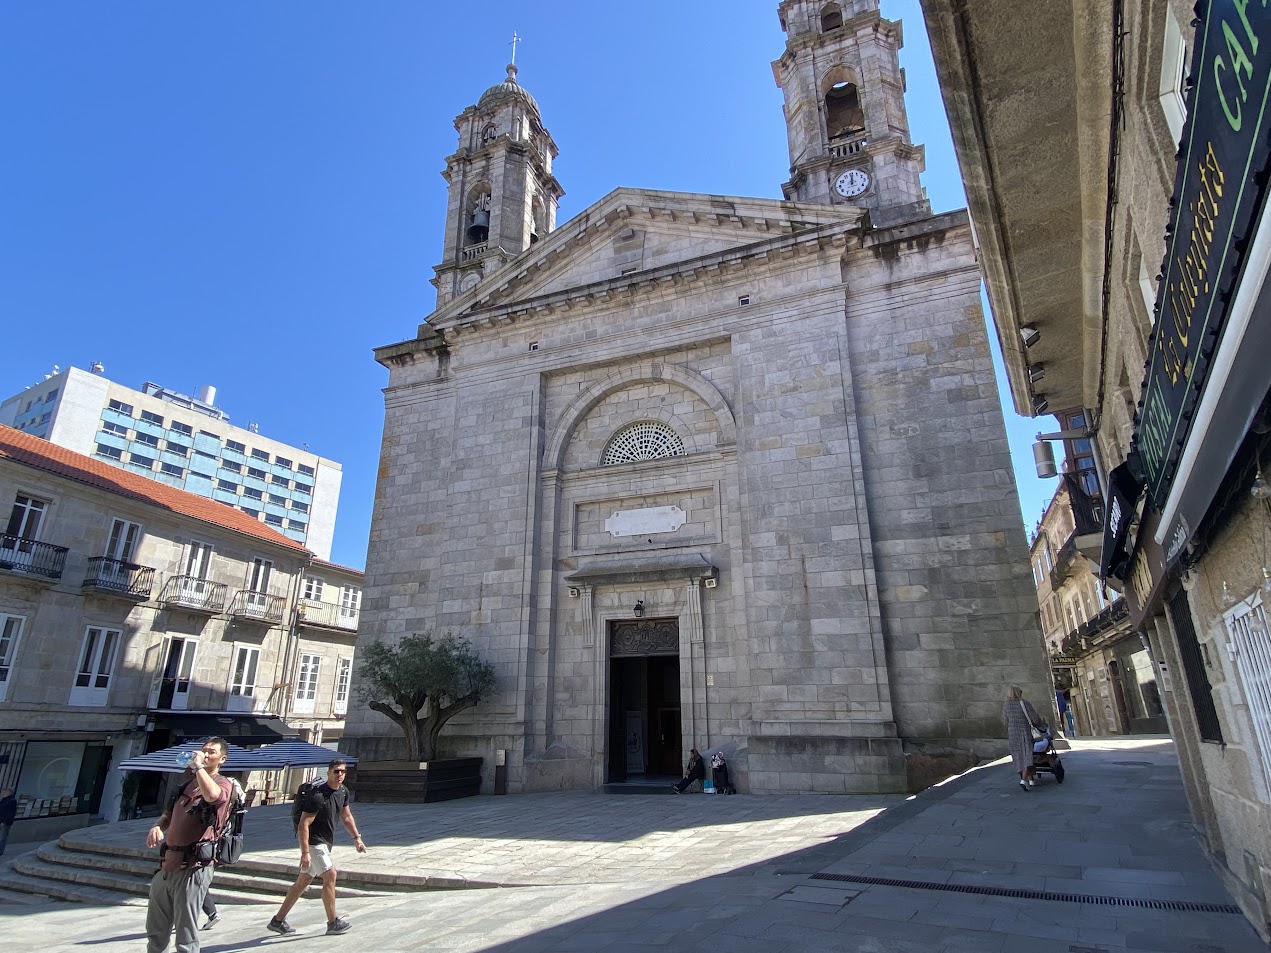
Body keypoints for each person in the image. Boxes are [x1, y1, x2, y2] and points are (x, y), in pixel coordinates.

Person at [144, 738, 233, 953]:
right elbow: (167, 814)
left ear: (222, 759)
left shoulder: (223, 784)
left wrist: (199, 767)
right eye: (204, 750)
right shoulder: (185, 786)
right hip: (168, 864)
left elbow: (213, 796)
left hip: (194, 866)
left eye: (211, 752)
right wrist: (157, 827)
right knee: (155, 930)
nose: (205, 754)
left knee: (185, 935)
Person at [267, 758, 367, 936]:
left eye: (343, 771)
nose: (340, 774)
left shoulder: (343, 792)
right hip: (314, 842)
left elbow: (346, 816)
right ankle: (333, 922)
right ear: (328, 773)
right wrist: (305, 852)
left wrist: (357, 838)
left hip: (325, 842)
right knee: (330, 874)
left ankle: (278, 920)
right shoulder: (318, 796)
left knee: (303, 881)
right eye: (336, 771)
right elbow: (303, 824)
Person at [199, 775, 244, 930]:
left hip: (208, 844)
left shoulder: (221, 792)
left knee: (198, 881)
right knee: (199, 882)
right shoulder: (232, 799)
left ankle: (211, 913)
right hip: (216, 843)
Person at [1004, 686, 1048, 791]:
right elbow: (1034, 718)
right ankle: (1024, 780)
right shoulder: (1024, 703)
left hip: (1013, 734)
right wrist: (1042, 725)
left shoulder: (1006, 705)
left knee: (1018, 757)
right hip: (1025, 732)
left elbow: (1005, 721)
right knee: (1027, 756)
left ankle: (1030, 779)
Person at [0, 787, 17, 856]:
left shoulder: (12, 801)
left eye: (5, 791)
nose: (3, 792)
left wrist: (4, 822)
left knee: (2, 837)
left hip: (5, 822)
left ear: (9, 792)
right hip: (1, 820)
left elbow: (10, 813)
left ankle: (0, 850)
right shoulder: (4, 800)